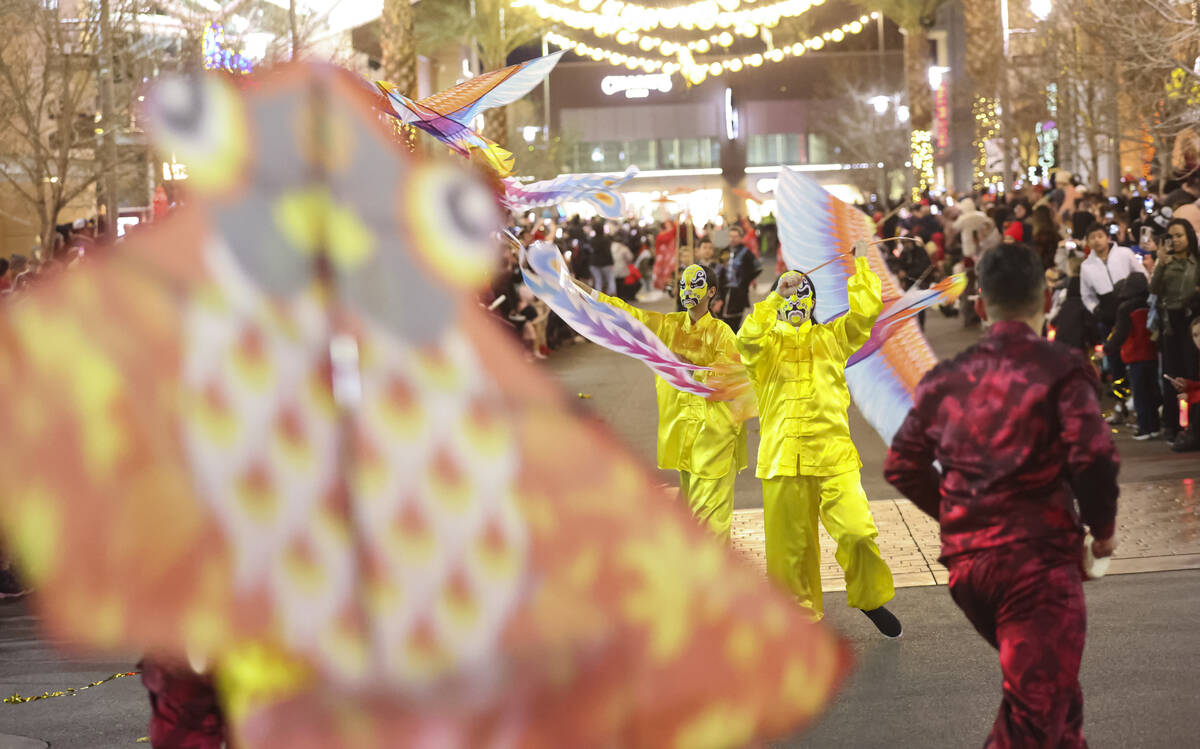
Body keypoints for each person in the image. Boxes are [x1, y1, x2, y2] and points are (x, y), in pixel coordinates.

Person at [884, 242, 1119, 749]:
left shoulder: (946, 379)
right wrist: (1102, 532)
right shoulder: (1060, 368)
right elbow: (1094, 456)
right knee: (1034, 715)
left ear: (981, 306)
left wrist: (958, 515)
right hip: (1036, 563)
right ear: (1047, 294)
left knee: (1057, 698)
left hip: (971, 569)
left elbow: (902, 464)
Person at [736, 241, 900, 637]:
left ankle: (870, 595)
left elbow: (865, 314)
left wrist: (860, 265)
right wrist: (774, 297)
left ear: (813, 302)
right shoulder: (765, 345)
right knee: (790, 553)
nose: (795, 301)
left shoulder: (832, 337)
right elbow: (746, 339)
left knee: (857, 532)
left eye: (801, 294)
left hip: (833, 457)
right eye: (788, 294)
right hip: (782, 458)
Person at [578, 264, 748, 538]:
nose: (687, 290)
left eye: (695, 284)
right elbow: (627, 315)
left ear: (712, 292)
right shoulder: (670, 326)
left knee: (710, 523)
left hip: (715, 438)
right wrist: (576, 286)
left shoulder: (722, 334)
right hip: (684, 436)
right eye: (683, 284)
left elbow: (736, 379)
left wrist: (692, 369)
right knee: (692, 519)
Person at [1150, 218, 1200, 450]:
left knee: (1192, 373)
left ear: (1189, 236)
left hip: (1193, 324)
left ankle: (1192, 426)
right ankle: (1172, 424)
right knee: (1172, 374)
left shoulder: (1196, 262)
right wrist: (1160, 264)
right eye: (1172, 236)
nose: (1176, 240)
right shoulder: (1165, 263)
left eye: (1180, 235)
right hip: (1170, 324)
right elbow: (1154, 290)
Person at [1105, 272, 1161, 439]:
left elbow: (1121, 334)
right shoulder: (1150, 303)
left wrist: (1108, 349)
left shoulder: (1125, 308)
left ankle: (1144, 428)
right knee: (1152, 391)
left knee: (1140, 394)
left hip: (1135, 354)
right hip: (1152, 352)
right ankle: (1155, 426)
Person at [721, 225, 761, 331]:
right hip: (724, 291)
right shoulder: (724, 251)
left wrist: (745, 281)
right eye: (730, 236)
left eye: (735, 236)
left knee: (734, 321)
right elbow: (719, 269)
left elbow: (757, 267)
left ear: (740, 238)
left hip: (738, 293)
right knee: (722, 320)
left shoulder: (745, 252)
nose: (732, 239)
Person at [588, 218, 616, 296]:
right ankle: (612, 298)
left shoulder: (592, 240)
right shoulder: (606, 239)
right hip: (606, 262)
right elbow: (608, 251)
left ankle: (599, 299)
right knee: (610, 280)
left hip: (595, 263)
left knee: (598, 281)